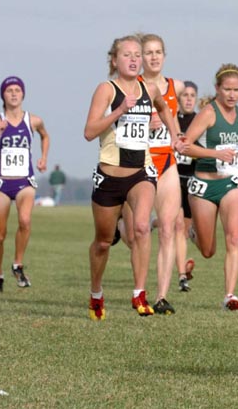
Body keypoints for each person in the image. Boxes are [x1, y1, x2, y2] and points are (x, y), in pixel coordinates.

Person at [83, 35, 179, 321]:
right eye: (128, 55)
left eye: (137, 54)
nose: (135, 59)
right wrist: (120, 110)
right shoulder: (107, 90)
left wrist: (175, 136)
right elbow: (89, 132)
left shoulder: (149, 88)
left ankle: (140, 293)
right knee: (102, 242)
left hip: (141, 172)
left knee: (140, 227)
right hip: (110, 175)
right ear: (114, 60)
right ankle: (96, 294)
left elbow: (163, 107)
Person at [180, 63, 238, 311]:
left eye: (236, 90)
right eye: (227, 89)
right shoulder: (208, 114)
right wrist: (214, 153)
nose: (232, 94)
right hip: (204, 185)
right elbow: (185, 145)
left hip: (231, 182)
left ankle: (230, 295)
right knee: (208, 251)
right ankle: (195, 234)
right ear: (217, 89)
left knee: (234, 237)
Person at [122, 33, 185, 315]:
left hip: (167, 162)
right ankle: (140, 291)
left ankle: (161, 296)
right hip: (138, 163)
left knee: (169, 229)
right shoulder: (131, 88)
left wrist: (177, 136)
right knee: (137, 233)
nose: (154, 57)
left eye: (158, 52)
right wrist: (147, 125)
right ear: (140, 57)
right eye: (148, 53)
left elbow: (176, 123)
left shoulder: (176, 86)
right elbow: (122, 127)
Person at [0, 76, 50, 292]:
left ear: (23, 94)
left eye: (17, 89)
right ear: (3, 95)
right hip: (2, 183)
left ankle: (17, 264)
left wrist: (44, 157)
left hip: (24, 181)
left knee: (25, 220)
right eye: (9, 90)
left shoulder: (33, 120)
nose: (14, 93)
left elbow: (45, 136)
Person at [175, 80, 199, 290]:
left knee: (189, 231)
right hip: (173, 180)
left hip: (193, 182)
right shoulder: (171, 120)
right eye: (185, 95)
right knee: (178, 227)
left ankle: (156, 223)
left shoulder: (200, 121)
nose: (189, 99)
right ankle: (182, 275)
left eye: (192, 95)